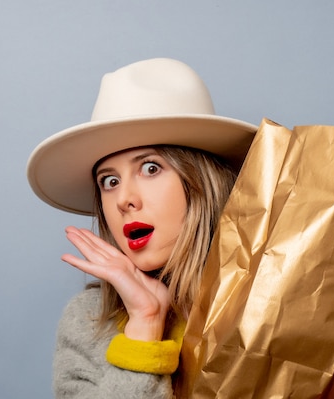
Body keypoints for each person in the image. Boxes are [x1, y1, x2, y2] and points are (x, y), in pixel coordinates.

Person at [26, 58, 257, 398]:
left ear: (201, 182)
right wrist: (145, 326)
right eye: (109, 180)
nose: (124, 199)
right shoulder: (87, 323)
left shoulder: (270, 296)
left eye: (150, 168)